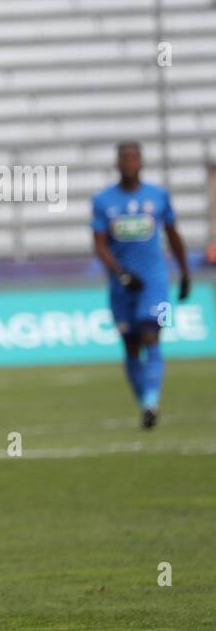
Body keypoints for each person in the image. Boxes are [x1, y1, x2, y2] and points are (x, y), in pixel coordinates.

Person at [90, 141, 190, 429]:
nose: (129, 163)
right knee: (130, 345)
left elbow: (173, 235)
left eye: (134, 158)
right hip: (121, 286)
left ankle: (151, 402)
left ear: (142, 162)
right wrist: (120, 273)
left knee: (153, 333)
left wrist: (184, 273)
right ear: (118, 163)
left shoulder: (158, 196)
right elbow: (99, 245)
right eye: (125, 158)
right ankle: (146, 404)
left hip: (157, 283)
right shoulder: (103, 201)